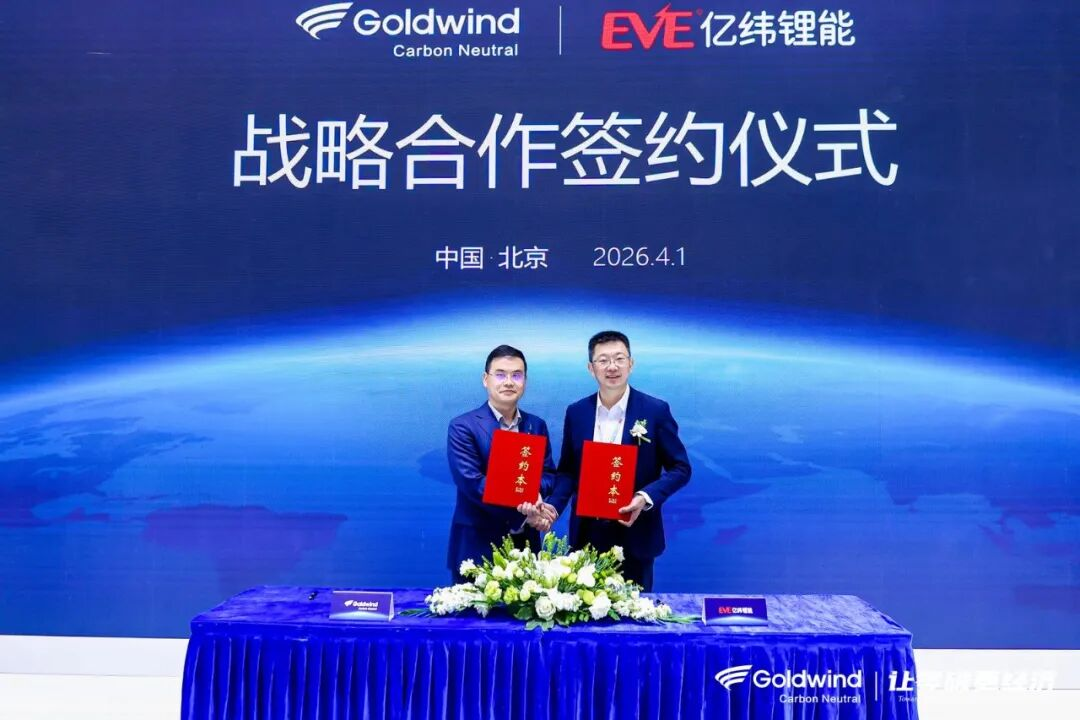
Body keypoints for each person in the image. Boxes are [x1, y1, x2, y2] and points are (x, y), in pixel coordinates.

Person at [546, 331, 691, 591]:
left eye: (619, 358)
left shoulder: (655, 411)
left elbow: (680, 468)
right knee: (583, 609)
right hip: (587, 535)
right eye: (603, 360)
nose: (612, 367)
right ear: (591, 368)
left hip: (636, 532)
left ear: (630, 364)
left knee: (635, 612)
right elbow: (567, 471)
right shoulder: (577, 412)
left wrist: (645, 497)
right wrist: (553, 507)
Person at [446, 345, 557, 583]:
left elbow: (548, 474)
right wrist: (525, 513)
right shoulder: (463, 426)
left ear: (525, 381)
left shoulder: (536, 425)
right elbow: (473, 484)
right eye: (500, 374)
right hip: (477, 547)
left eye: (516, 375)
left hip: (525, 547)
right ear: (485, 379)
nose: (509, 382)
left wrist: (534, 494)